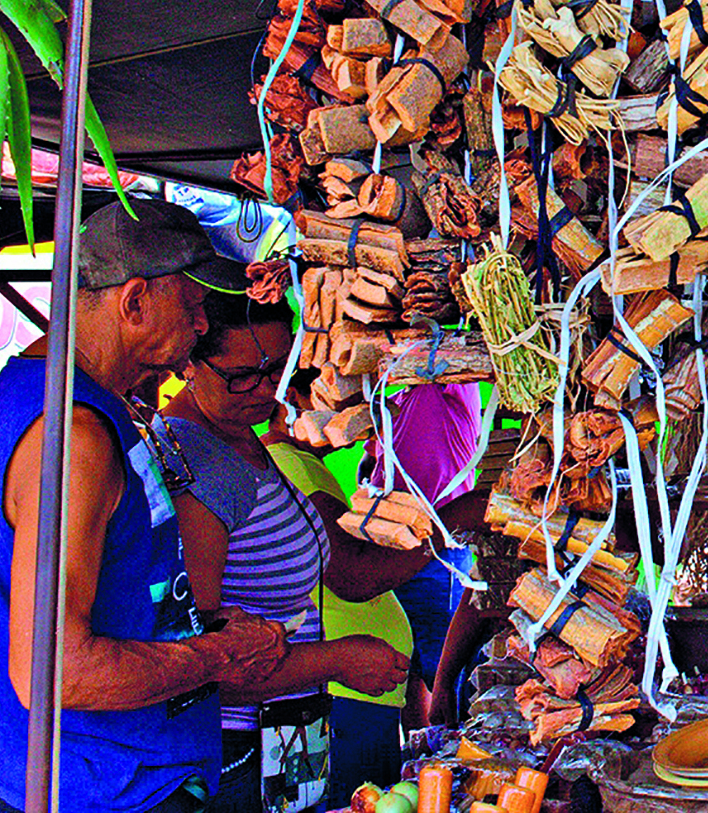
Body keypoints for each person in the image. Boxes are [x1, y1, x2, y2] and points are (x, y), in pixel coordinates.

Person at [0, 199, 290, 813]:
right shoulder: (76, 434)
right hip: (97, 785)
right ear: (133, 302)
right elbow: (56, 668)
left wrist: (206, 631)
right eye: (191, 308)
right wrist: (213, 657)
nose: (199, 328)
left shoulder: (60, 397)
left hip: (112, 772)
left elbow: (112, 602)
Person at [161, 294, 410, 812]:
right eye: (241, 375)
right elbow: (198, 667)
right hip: (234, 752)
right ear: (188, 359)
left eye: (277, 368)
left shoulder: (239, 437)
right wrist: (337, 660)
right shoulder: (195, 466)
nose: (264, 390)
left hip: (283, 736)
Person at [265, 397, 426, 809]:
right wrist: (448, 526)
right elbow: (353, 576)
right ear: (295, 405)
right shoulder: (290, 463)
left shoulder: (301, 463)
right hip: (343, 689)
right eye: (353, 405)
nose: (365, 417)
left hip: (355, 689)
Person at [359, 383, 481, 728]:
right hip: (393, 542)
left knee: (445, 673)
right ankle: (419, 761)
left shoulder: (450, 382)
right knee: (405, 666)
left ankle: (453, 759)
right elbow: (377, 455)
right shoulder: (395, 395)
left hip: (438, 551)